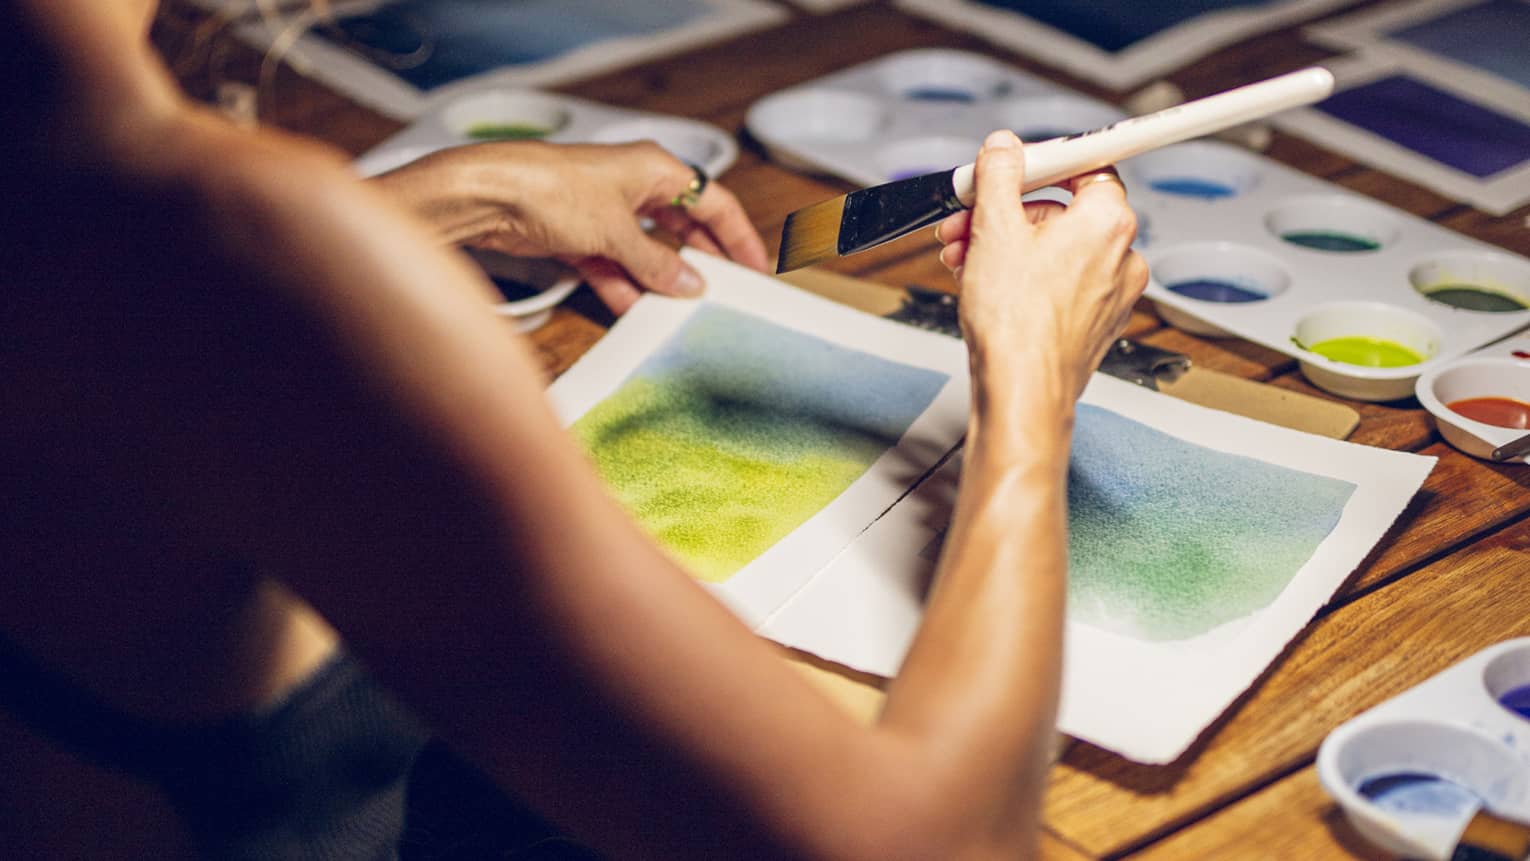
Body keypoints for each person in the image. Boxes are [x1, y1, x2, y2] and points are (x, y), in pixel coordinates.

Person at [0, 1, 1148, 858]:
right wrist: (1030, 379)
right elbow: (938, 845)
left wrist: (454, 194)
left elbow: (158, 326)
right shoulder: (238, 242)